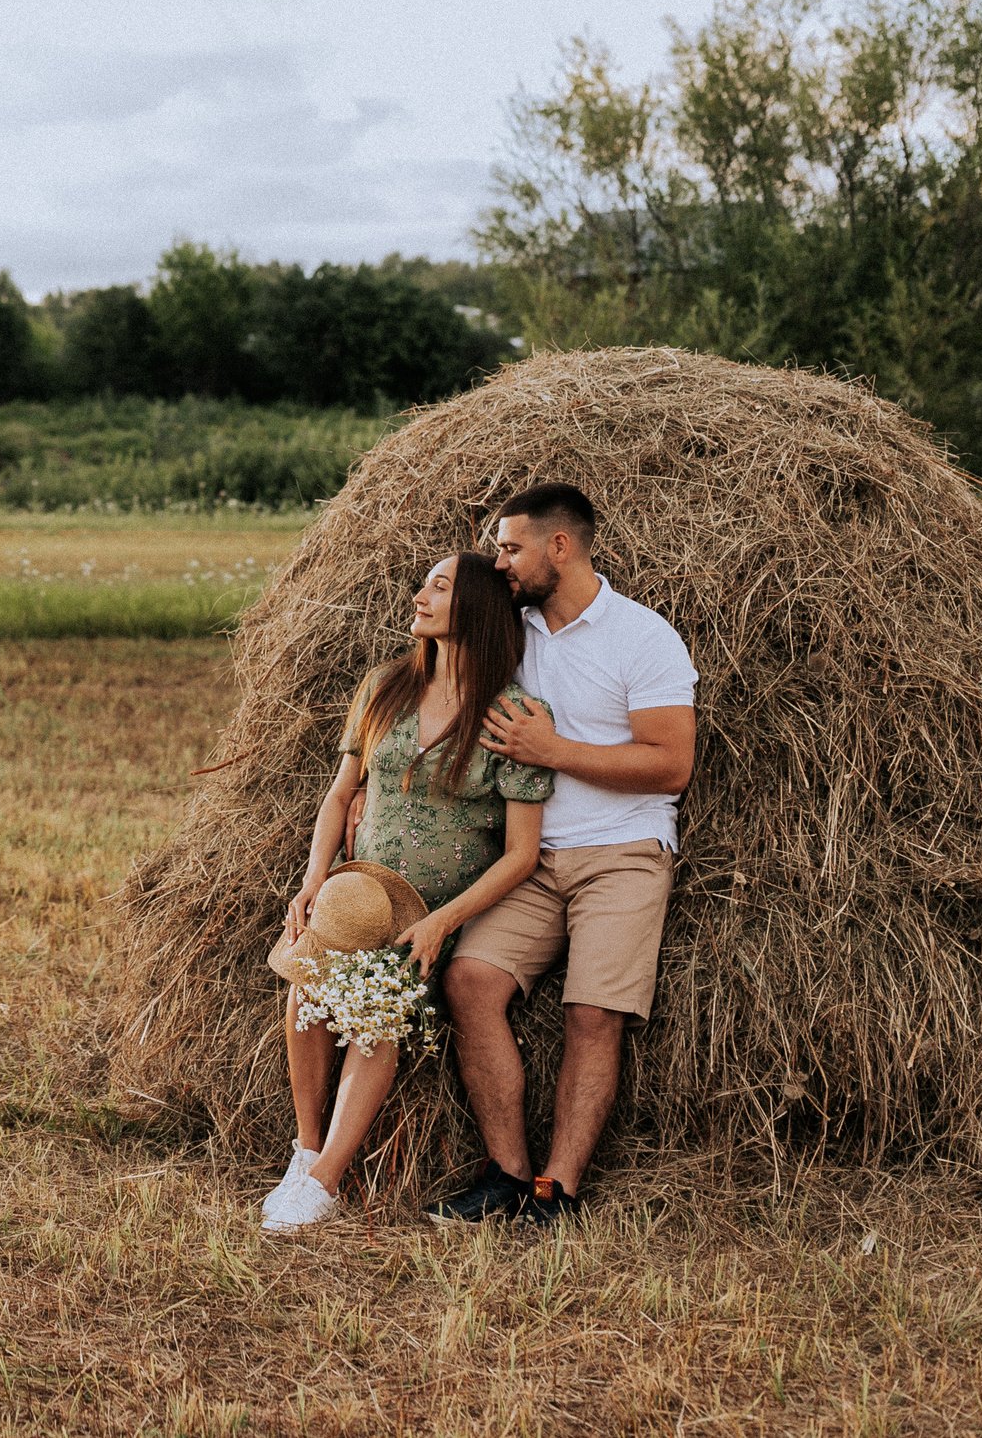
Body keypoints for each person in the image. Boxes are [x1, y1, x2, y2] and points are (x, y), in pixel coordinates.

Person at [426, 483, 697, 1226]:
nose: (499, 561)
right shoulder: (510, 629)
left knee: (591, 1014)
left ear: (561, 546)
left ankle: (557, 1189)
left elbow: (671, 764)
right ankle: (506, 1174)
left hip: (623, 853)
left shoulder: (643, 637)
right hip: (533, 858)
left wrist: (553, 751)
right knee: (471, 981)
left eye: (510, 547)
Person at [262, 552, 554, 1232]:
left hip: (432, 906)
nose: (419, 594)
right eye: (423, 581)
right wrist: (312, 880)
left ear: (475, 608)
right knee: (307, 978)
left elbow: (522, 853)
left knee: (377, 1005)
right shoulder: (384, 686)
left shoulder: (511, 715)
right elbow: (340, 794)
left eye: (439, 586)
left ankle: (327, 1179)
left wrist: (443, 922)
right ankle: (305, 1154)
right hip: (361, 888)